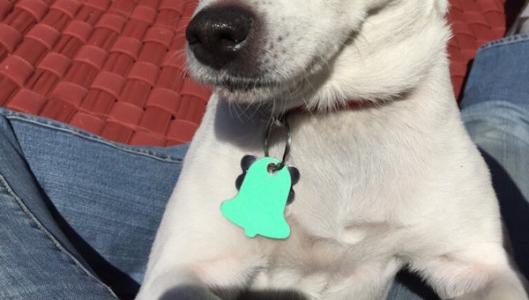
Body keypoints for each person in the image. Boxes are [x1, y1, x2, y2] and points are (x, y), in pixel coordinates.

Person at [1, 26, 528, 300]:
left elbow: (477, 271)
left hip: (357, 133)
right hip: (262, 137)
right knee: (502, 130)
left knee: (497, 133)